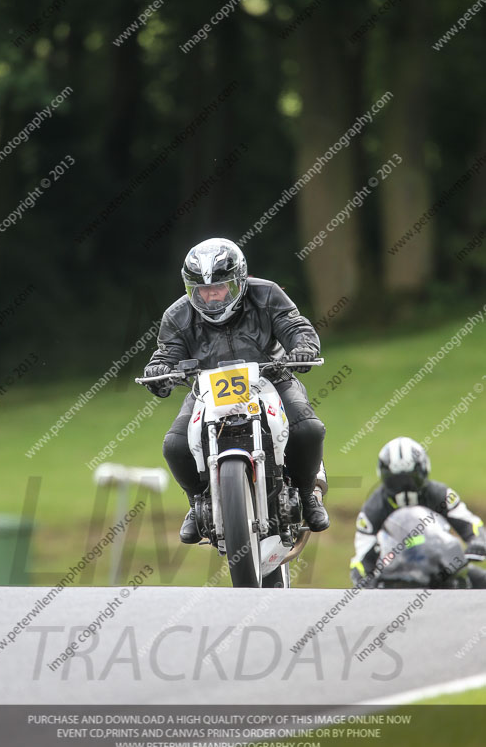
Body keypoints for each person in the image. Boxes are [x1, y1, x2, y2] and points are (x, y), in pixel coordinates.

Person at [142, 237, 329, 544]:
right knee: (174, 446)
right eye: (202, 290)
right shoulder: (177, 315)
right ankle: (197, 502)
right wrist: (159, 371)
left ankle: (307, 495)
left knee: (309, 429)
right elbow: (165, 355)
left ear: (239, 281)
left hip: (272, 376)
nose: (211, 297)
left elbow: (297, 327)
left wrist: (304, 348)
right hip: (206, 388)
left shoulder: (267, 294)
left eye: (219, 288)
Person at [350, 436, 486, 587]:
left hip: (440, 564)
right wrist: (364, 579)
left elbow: (470, 523)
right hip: (396, 572)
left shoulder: (441, 494)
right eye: (396, 481)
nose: (404, 487)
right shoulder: (373, 509)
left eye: (411, 479)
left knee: (479, 578)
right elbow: (362, 556)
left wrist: (477, 541)